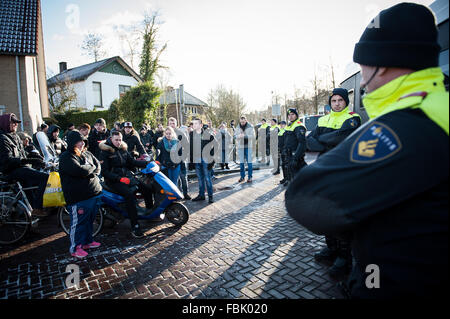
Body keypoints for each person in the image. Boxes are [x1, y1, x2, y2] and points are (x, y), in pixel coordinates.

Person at [286, 2, 448, 298]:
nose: (361, 78)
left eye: (362, 66)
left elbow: (305, 198)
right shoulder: (441, 107)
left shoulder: (403, 123)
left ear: (381, 64)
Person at [306, 88, 362, 279]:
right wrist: (325, 142)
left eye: (340, 100)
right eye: (334, 100)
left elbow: (342, 139)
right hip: (325, 170)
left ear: (346, 102)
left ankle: (344, 258)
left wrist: (321, 141)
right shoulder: (323, 120)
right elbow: (310, 142)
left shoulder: (353, 118)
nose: (337, 103)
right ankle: (331, 249)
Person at [99, 131, 153, 238]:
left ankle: (150, 212)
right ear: (111, 139)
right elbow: (105, 172)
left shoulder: (123, 149)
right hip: (113, 181)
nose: (119, 142)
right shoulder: (104, 152)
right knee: (129, 196)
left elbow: (132, 162)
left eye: (120, 140)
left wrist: (148, 163)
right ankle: (135, 226)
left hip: (127, 177)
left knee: (146, 188)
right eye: (116, 140)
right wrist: (119, 179)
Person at [59, 130, 103, 258]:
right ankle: (75, 247)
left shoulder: (87, 153)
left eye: (83, 141)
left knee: (89, 220)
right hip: (78, 198)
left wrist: (90, 169)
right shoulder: (66, 157)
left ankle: (87, 241)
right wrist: (91, 168)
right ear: (72, 143)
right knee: (78, 223)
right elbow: (79, 171)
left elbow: (97, 166)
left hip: (93, 194)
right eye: (79, 142)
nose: (82, 144)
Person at [0, 113, 48, 217]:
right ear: (5, 123)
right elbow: (8, 160)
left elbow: (23, 153)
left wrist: (35, 156)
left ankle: (32, 211)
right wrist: (29, 160)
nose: (15, 125)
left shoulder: (15, 136)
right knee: (44, 178)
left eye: (16, 123)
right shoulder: (2, 139)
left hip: (20, 168)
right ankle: (37, 208)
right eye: (13, 123)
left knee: (31, 185)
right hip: (11, 170)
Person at [189, 118, 216, 204]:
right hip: (196, 159)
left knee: (207, 178)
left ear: (201, 125)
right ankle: (201, 195)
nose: (194, 125)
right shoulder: (191, 134)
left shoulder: (207, 134)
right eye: (193, 124)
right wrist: (191, 161)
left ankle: (210, 196)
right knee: (200, 179)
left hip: (205, 159)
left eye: (196, 124)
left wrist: (211, 158)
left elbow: (216, 145)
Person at [282, 108, 307, 186]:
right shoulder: (289, 125)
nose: (290, 116)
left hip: (295, 155)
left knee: (299, 177)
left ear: (296, 115)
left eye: (293, 114)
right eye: (289, 115)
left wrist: (295, 157)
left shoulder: (299, 125)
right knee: (292, 176)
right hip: (289, 155)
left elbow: (302, 143)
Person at [168, 117, 191, 200]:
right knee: (175, 179)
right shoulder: (167, 134)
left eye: (173, 123)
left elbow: (187, 145)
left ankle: (186, 193)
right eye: (170, 123)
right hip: (172, 161)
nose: (172, 125)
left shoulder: (180, 133)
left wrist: (184, 157)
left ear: (176, 124)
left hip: (181, 160)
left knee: (183, 177)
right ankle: (177, 194)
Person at [235, 116, 254, 183]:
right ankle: (242, 177)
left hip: (248, 147)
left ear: (246, 120)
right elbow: (235, 136)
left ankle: (250, 177)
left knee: (249, 163)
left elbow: (252, 136)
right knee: (241, 163)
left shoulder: (250, 126)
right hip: (240, 147)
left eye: (243, 122)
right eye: (241, 122)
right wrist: (238, 136)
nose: (242, 123)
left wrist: (244, 136)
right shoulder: (238, 127)